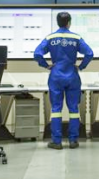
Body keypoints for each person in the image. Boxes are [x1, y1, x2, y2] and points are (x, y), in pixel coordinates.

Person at [34, 12, 94, 150]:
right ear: (69, 23)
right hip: (72, 76)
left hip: (56, 77)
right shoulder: (76, 37)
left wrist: (46, 65)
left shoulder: (50, 37)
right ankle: (73, 141)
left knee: (56, 109)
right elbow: (89, 53)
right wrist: (81, 66)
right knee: (74, 109)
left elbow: (37, 54)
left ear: (57, 22)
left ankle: (57, 141)